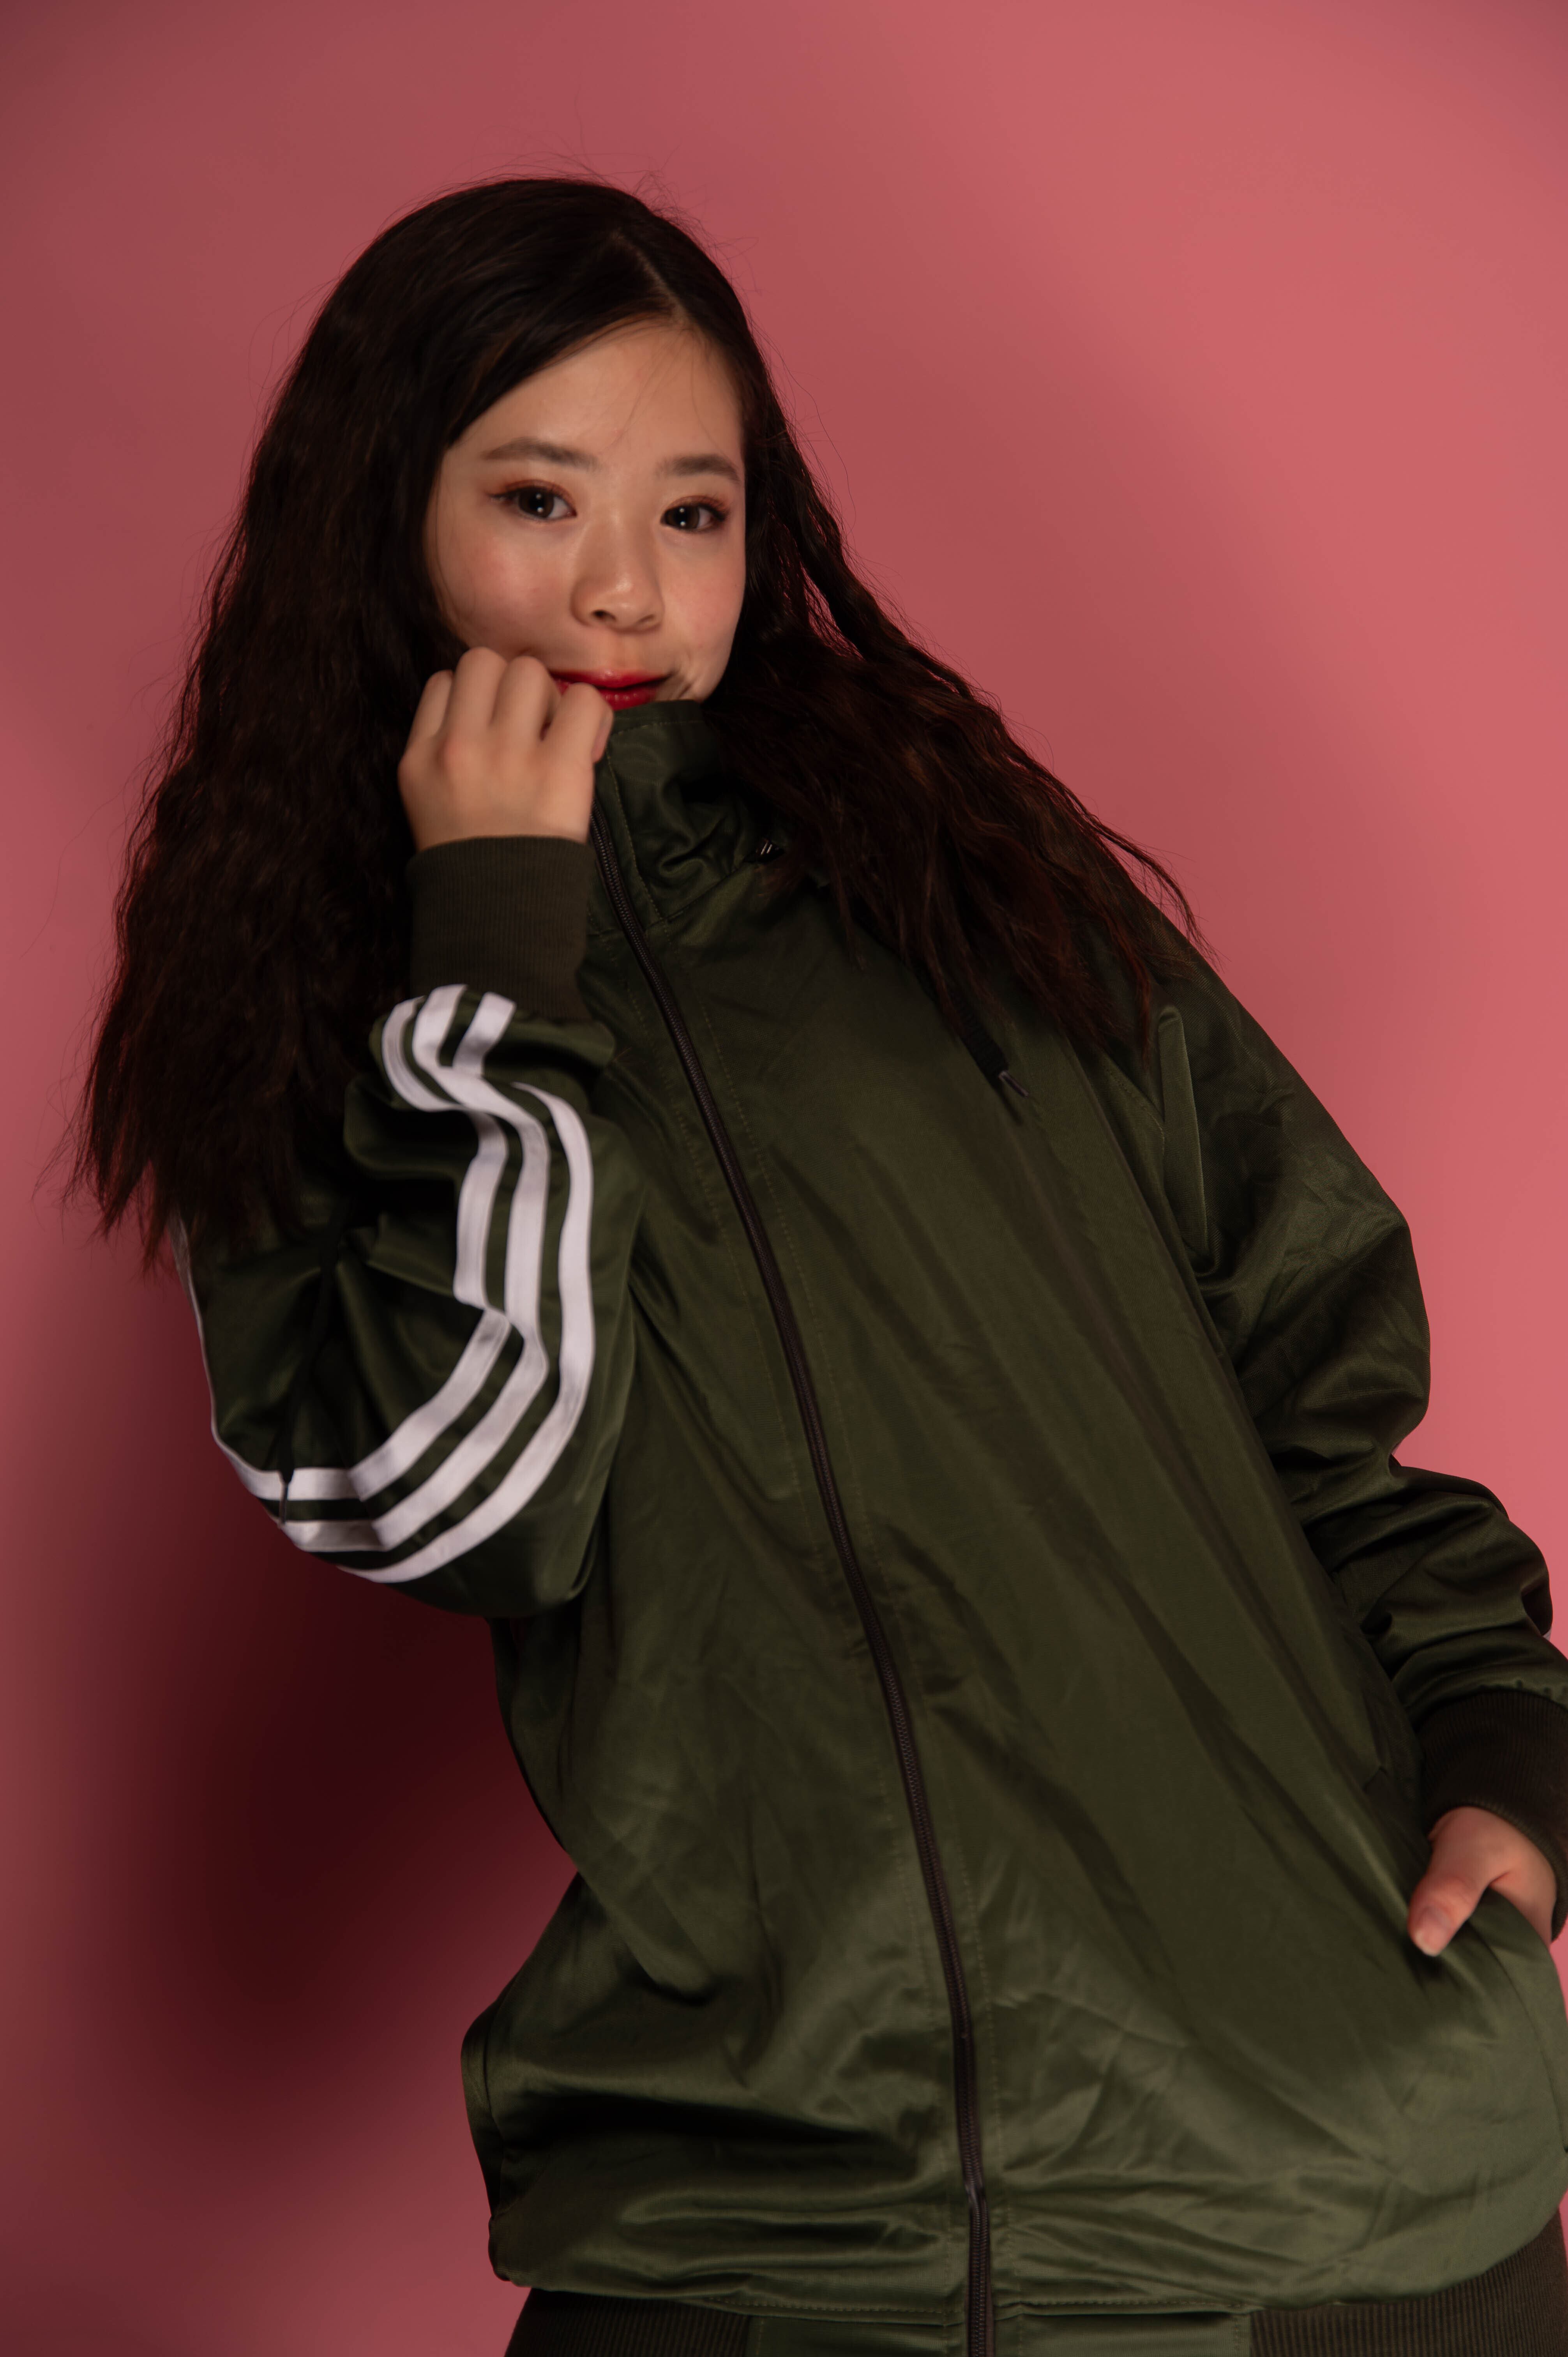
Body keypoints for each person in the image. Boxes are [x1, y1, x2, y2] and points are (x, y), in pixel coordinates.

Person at [77, 177, 1568, 2357]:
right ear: (379, 519)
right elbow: (468, 1500)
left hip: (1343, 2170)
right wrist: (493, 948)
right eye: (538, 497)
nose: (623, 583)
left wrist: (1501, 1739)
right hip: (789, 2203)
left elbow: (1313, 1381)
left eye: (693, 511)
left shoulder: (954, 871)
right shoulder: (325, 996)